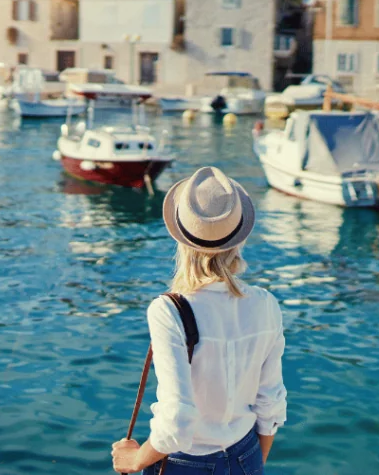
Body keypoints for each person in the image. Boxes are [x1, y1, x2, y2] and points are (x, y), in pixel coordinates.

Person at [112, 167, 287, 474]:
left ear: (181, 239)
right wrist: (253, 463)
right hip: (247, 455)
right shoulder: (266, 304)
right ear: (237, 239)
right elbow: (270, 404)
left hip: (185, 463)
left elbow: (177, 421)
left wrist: (135, 460)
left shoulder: (168, 310)